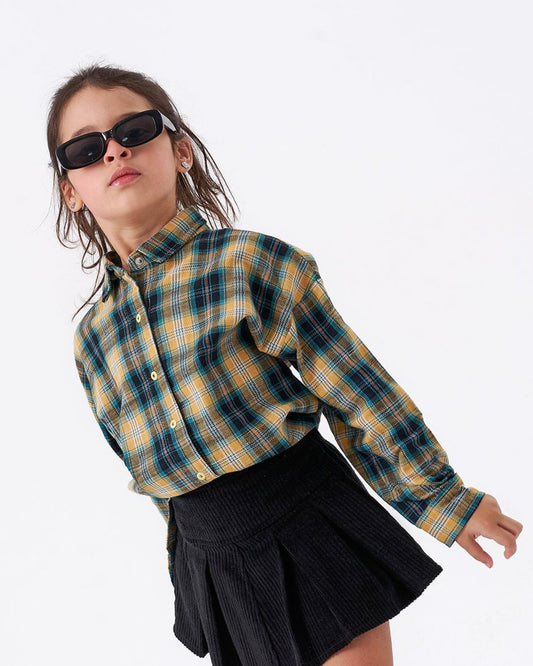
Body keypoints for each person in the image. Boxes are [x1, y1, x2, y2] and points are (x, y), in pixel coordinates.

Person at [46, 62, 523, 666]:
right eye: (86, 149)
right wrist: (193, 574)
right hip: (215, 564)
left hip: (308, 523)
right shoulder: (93, 339)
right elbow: (151, 476)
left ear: (181, 151)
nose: (115, 151)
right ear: (71, 189)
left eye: (135, 130)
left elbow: (356, 392)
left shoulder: (251, 264)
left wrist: (443, 499)